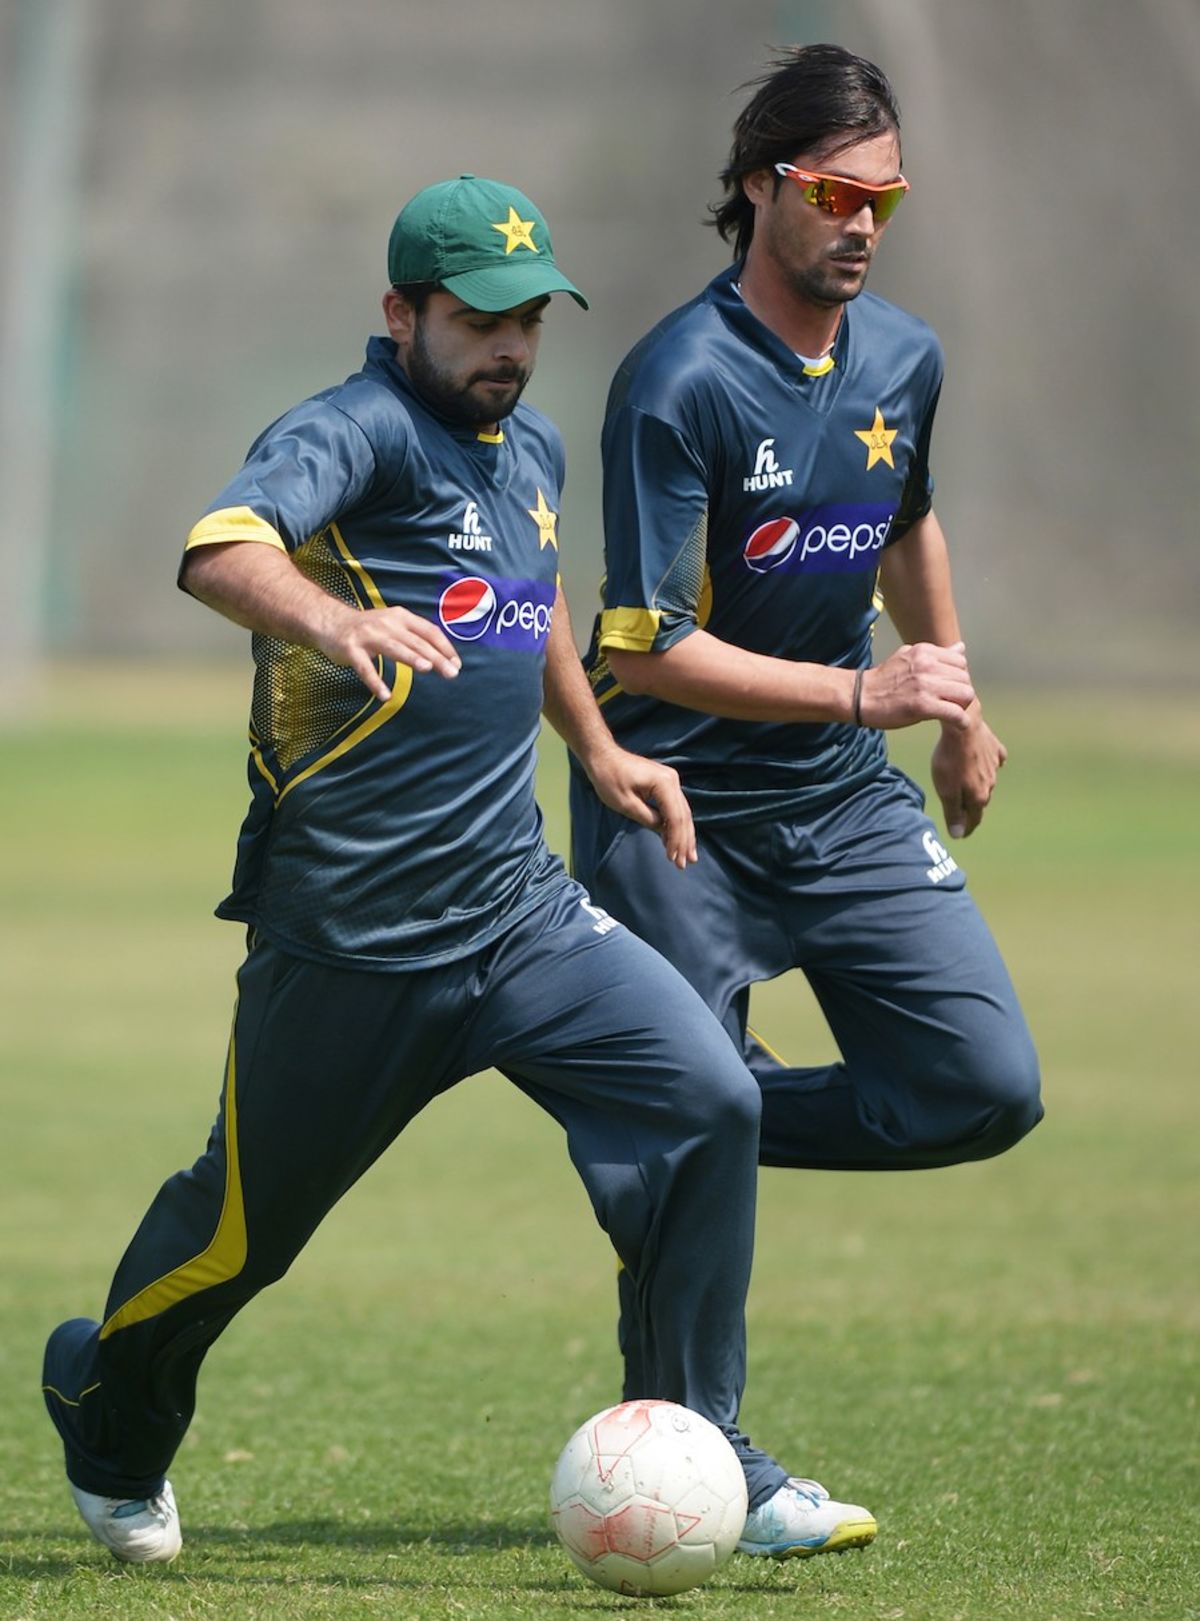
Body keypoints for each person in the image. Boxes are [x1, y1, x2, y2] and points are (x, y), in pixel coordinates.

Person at [42, 175, 875, 1568]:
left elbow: (531, 604)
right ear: (401, 312)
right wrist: (331, 616)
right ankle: (105, 1404)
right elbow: (220, 545)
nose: (508, 345)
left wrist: (600, 750)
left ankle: (703, 1441)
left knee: (710, 1099)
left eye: (529, 318)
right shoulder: (350, 431)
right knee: (238, 1237)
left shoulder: (528, 446)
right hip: (353, 943)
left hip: (522, 912)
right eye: (479, 319)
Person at [571, 47, 1043, 1404]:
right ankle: (698, 1445)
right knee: (686, 1121)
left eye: (884, 204)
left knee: (982, 1084)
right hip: (674, 809)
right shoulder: (680, 381)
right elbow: (644, 649)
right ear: (761, 183)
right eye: (836, 196)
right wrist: (865, 690)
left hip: (839, 797)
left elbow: (904, 523)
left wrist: (950, 696)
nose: (861, 227)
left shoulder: (904, 357)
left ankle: (686, 1111)